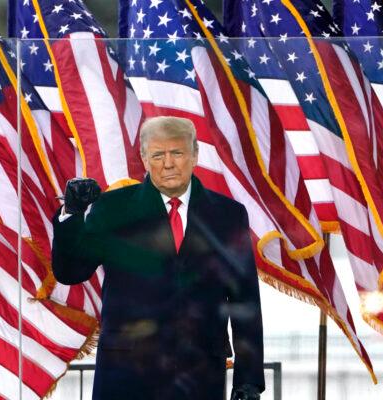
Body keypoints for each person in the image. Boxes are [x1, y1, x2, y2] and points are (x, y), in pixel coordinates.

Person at [52, 116, 264, 400]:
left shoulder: (228, 214)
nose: (168, 163)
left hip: (200, 377)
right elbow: (70, 271)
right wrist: (73, 214)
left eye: (177, 153)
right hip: (125, 376)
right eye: (158, 154)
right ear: (144, 157)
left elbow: (244, 300)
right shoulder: (113, 208)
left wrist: (248, 380)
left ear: (195, 154)